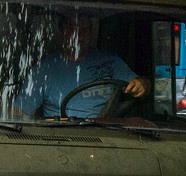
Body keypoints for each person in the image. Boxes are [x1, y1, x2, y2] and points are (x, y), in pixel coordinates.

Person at [16, 14, 148, 118]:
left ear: (90, 33)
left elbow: (142, 86)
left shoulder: (109, 61)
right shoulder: (44, 69)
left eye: (85, 30)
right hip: (60, 137)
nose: (80, 35)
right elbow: (20, 111)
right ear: (62, 33)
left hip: (106, 133)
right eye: (74, 29)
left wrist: (141, 84)